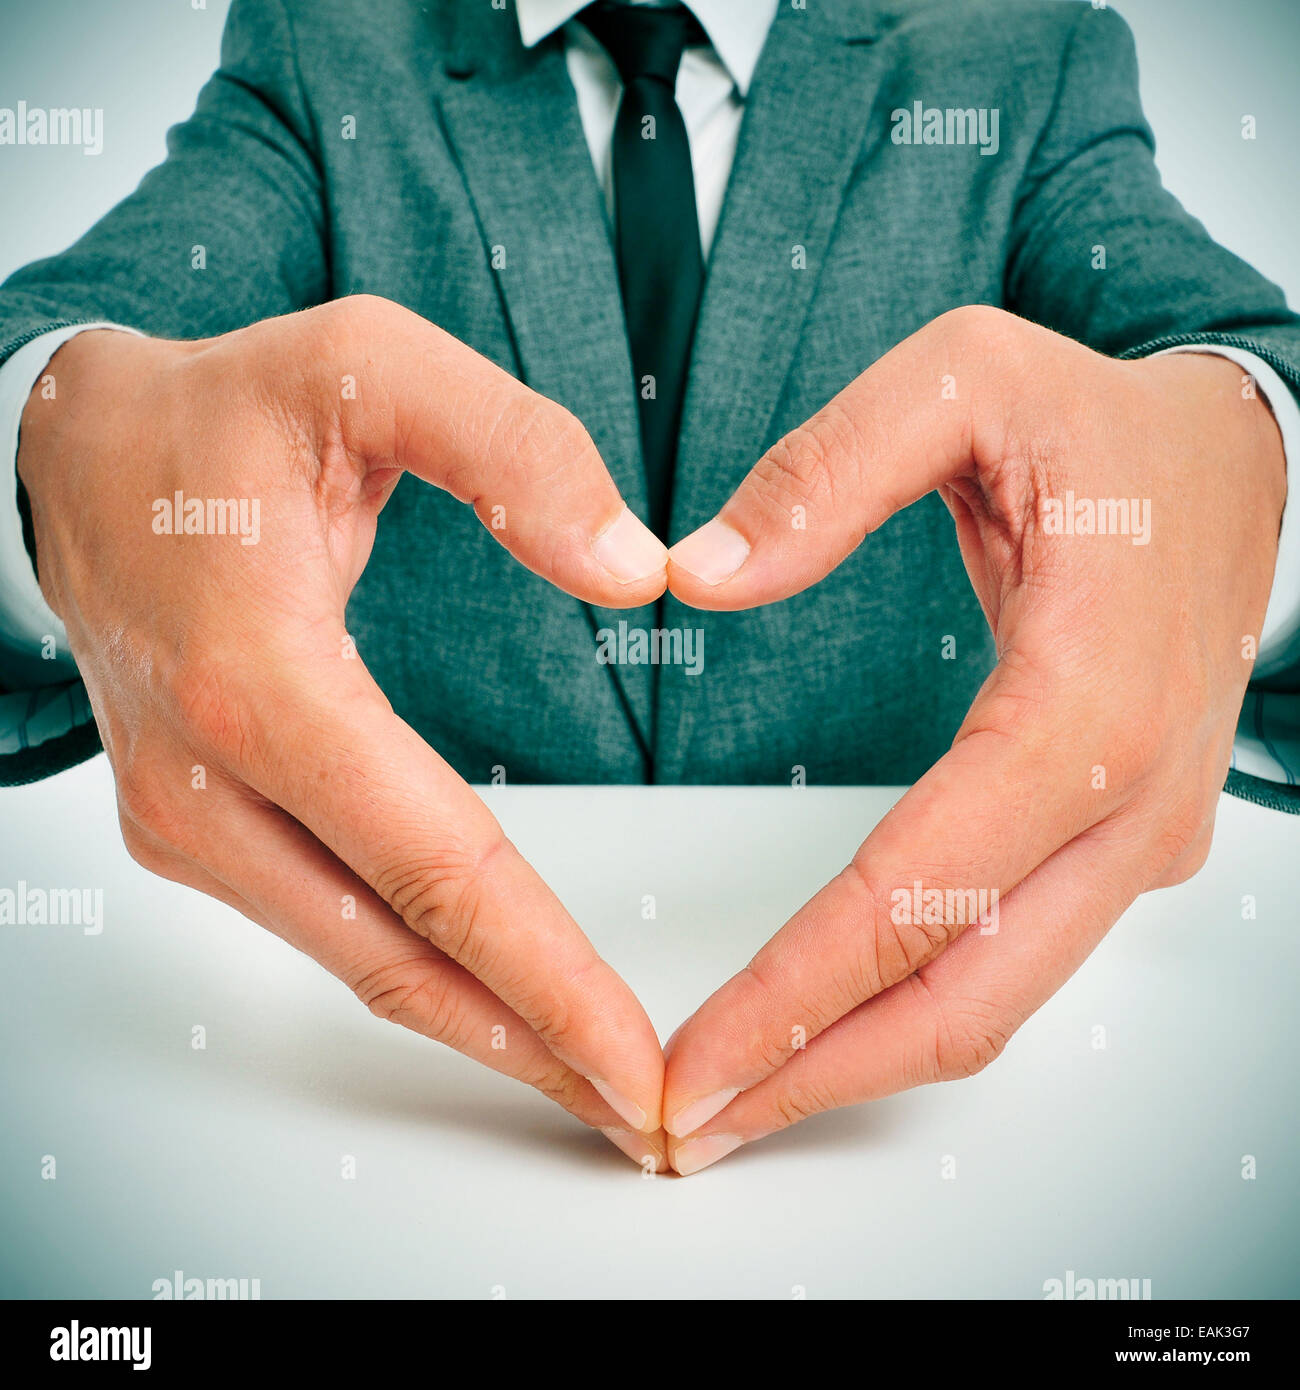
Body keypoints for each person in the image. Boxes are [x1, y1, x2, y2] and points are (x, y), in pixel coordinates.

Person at [2, 0, 1297, 1177]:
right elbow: (71, 338)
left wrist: (1247, 475)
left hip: (929, 1152)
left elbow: (1230, 354)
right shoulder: (324, 46)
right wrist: (57, 462)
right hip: (398, 1126)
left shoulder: (1022, 54)